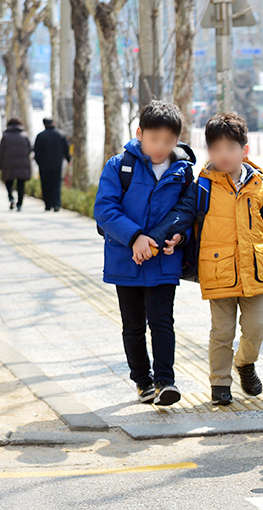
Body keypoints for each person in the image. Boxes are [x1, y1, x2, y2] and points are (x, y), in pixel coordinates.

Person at [149, 112, 263, 406]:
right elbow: (184, 216)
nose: (223, 155)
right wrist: (168, 236)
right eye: (216, 148)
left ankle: (245, 363)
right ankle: (220, 382)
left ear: (245, 150)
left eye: (230, 148)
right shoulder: (202, 186)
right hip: (218, 270)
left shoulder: (258, 187)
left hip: (254, 271)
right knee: (222, 331)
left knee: (257, 326)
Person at [94, 100, 195, 406]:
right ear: (140, 134)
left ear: (177, 140)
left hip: (163, 260)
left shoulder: (184, 172)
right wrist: (136, 238)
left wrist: (179, 237)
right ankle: (142, 380)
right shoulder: (119, 166)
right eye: (154, 139)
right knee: (133, 325)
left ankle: (166, 381)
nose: (160, 147)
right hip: (126, 261)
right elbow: (104, 209)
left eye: (168, 141)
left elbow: (187, 212)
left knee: (162, 321)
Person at [33, 117, 71, 212]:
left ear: (44, 124)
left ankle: (47, 204)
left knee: (45, 184)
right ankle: (56, 204)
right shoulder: (61, 134)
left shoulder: (40, 136)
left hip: (44, 165)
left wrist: (39, 162)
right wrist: (68, 159)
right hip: (57, 164)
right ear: (53, 123)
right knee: (56, 183)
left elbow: (36, 151)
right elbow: (66, 148)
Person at [0, 117, 32, 211]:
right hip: (22, 164)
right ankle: (19, 204)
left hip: (8, 163)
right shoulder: (25, 135)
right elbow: (29, 149)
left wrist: (0, 165)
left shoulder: (5, 136)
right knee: (21, 183)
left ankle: (11, 198)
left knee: (9, 181)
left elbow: (1, 152)